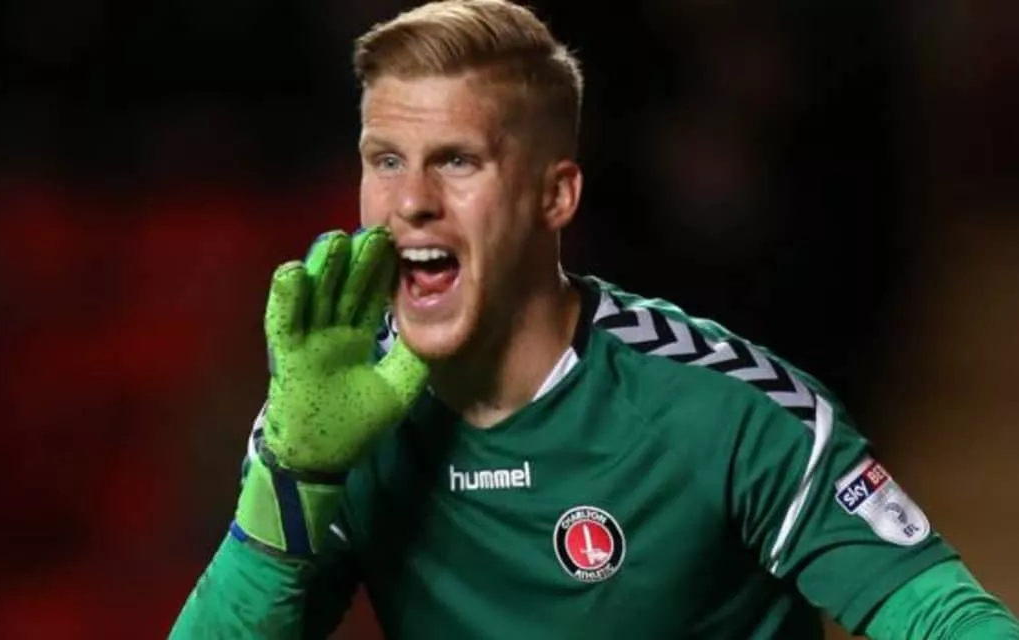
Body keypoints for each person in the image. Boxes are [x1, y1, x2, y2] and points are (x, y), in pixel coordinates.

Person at [170, 1, 1019, 637]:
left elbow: (944, 617)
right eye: (385, 160)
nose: (412, 201)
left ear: (556, 195)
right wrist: (292, 477)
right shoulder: (332, 416)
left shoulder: (725, 410)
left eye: (457, 161)